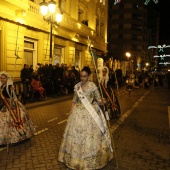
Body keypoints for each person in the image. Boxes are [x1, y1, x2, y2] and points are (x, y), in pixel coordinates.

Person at [58, 66, 113, 169]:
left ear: (88, 76)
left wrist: (104, 101)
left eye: (85, 76)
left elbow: (98, 100)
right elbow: (74, 100)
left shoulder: (93, 86)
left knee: (90, 137)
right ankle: (74, 159)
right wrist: (71, 113)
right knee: (75, 137)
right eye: (81, 76)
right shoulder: (77, 86)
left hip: (90, 113)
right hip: (77, 113)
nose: (82, 78)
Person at [0, 71, 35, 145]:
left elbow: (14, 96)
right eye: (1, 78)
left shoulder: (10, 86)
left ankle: (16, 137)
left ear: (7, 78)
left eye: (4, 78)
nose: (2, 79)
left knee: (12, 120)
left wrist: (13, 90)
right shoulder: (1, 86)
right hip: (3, 105)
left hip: (11, 105)